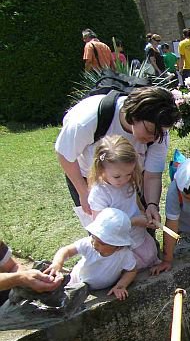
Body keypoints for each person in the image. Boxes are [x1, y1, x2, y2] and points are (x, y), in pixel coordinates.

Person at [55, 86, 180, 227]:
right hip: (90, 180)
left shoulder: (159, 133)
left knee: (141, 231)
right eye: (150, 131)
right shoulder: (87, 120)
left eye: (160, 134)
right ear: (135, 115)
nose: (154, 138)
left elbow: (152, 176)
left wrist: (152, 205)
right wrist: (83, 192)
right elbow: (64, 154)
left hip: (132, 180)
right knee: (104, 232)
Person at [87, 136, 160, 270]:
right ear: (101, 169)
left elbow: (134, 205)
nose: (124, 179)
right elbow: (103, 229)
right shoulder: (99, 194)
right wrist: (134, 221)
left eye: (129, 174)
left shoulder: (128, 183)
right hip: (122, 248)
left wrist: (146, 216)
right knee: (132, 273)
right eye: (117, 176)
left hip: (140, 239)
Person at [43, 208, 137, 301]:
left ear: (118, 246)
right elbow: (66, 250)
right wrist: (57, 263)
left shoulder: (124, 254)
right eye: (93, 237)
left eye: (102, 243)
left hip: (102, 288)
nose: (95, 243)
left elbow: (131, 271)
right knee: (65, 297)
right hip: (76, 281)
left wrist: (121, 285)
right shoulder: (88, 244)